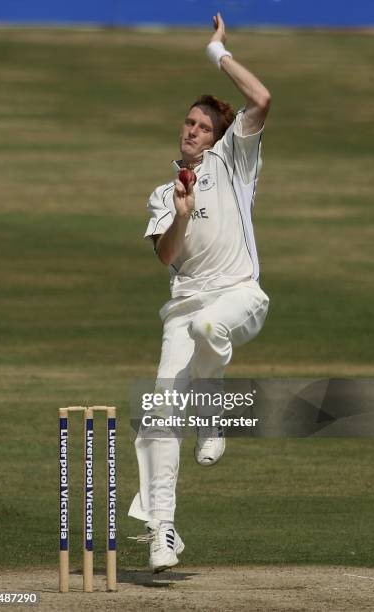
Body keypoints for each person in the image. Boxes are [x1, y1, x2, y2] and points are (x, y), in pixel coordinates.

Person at [128, 13, 271, 572]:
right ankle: (163, 531)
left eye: (202, 126)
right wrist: (182, 214)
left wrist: (216, 51)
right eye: (188, 123)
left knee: (211, 328)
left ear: (218, 137)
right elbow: (166, 255)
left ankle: (211, 416)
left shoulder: (234, 161)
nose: (191, 131)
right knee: (159, 415)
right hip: (182, 309)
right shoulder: (165, 192)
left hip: (240, 297)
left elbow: (261, 99)